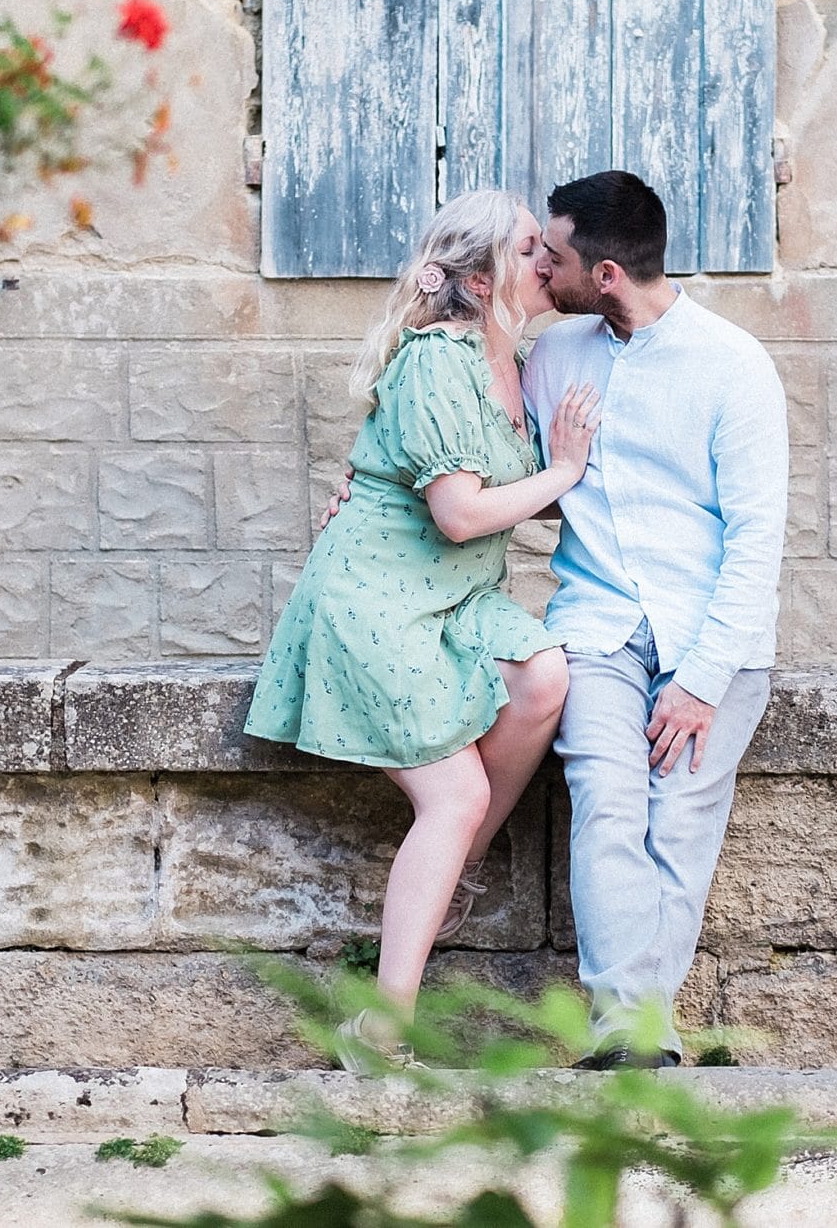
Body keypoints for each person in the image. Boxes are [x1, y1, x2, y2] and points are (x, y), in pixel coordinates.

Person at [242, 189, 601, 1072]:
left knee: (545, 676)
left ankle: (449, 877)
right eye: (528, 249)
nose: (546, 259)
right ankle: (381, 1027)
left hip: (455, 600)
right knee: (456, 795)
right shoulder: (441, 360)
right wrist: (564, 470)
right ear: (481, 282)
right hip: (379, 602)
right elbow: (459, 514)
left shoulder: (524, 358)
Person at [522, 171, 789, 1068]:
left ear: (602, 274)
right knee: (607, 801)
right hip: (597, 626)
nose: (538, 268)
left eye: (551, 256)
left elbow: (758, 540)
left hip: (713, 639)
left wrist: (702, 684)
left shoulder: (734, 365)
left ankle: (636, 1040)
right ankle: (633, 1037)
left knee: (678, 826)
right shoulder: (554, 359)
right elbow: (477, 463)